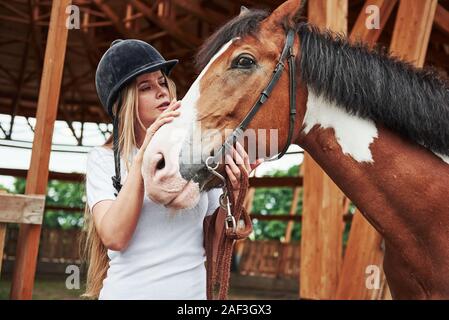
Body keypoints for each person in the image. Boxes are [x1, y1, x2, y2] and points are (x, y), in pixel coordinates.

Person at [83, 39, 263, 299]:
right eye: (145, 87)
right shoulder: (103, 159)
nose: (161, 92)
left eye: (162, 81)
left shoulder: (198, 151)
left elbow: (214, 242)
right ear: (123, 104)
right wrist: (144, 156)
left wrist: (234, 192)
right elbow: (114, 237)